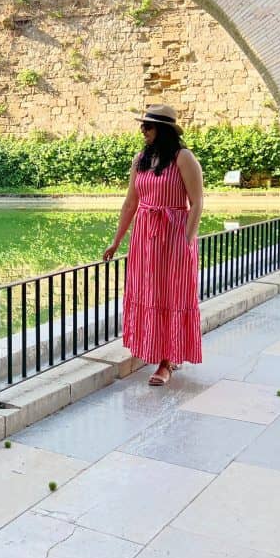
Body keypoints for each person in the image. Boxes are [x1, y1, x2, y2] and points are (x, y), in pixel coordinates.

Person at [103, 104, 204, 386]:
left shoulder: (183, 158)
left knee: (172, 295)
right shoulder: (141, 159)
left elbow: (197, 203)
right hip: (145, 237)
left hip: (173, 235)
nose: (143, 131)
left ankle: (166, 362)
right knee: (149, 292)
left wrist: (187, 239)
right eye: (143, 126)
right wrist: (116, 241)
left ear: (164, 130)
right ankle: (156, 349)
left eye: (148, 126)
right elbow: (130, 203)